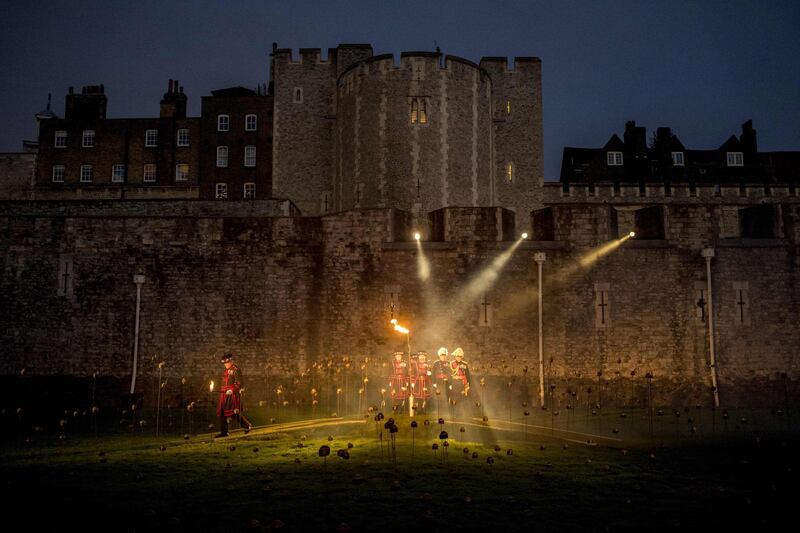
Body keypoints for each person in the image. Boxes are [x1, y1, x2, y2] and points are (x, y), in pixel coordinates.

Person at [215, 353, 252, 438]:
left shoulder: (236, 369)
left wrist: (232, 390)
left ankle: (246, 425)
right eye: (224, 363)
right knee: (222, 413)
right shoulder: (226, 371)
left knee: (233, 412)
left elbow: (240, 383)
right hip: (224, 394)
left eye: (226, 363)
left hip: (232, 394)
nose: (225, 365)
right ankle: (224, 432)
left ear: (230, 361)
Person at [450, 347, 471, 417]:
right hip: (455, 382)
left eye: (460, 356)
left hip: (462, 383)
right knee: (454, 397)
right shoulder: (451, 364)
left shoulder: (465, 364)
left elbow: (468, 375)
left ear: (462, 356)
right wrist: (449, 384)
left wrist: (468, 384)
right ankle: (454, 413)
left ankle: (461, 413)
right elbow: (449, 374)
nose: (459, 358)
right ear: (455, 356)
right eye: (458, 356)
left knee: (462, 398)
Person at [431, 347, 451, 415]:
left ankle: (446, 410)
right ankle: (440, 410)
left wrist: (450, 383)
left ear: (446, 356)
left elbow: (450, 373)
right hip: (438, 381)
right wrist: (434, 382)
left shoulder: (449, 363)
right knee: (439, 396)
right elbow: (433, 373)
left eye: (444, 355)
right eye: (442, 355)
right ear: (439, 356)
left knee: (447, 395)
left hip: (446, 381)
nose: (443, 357)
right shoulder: (436, 363)